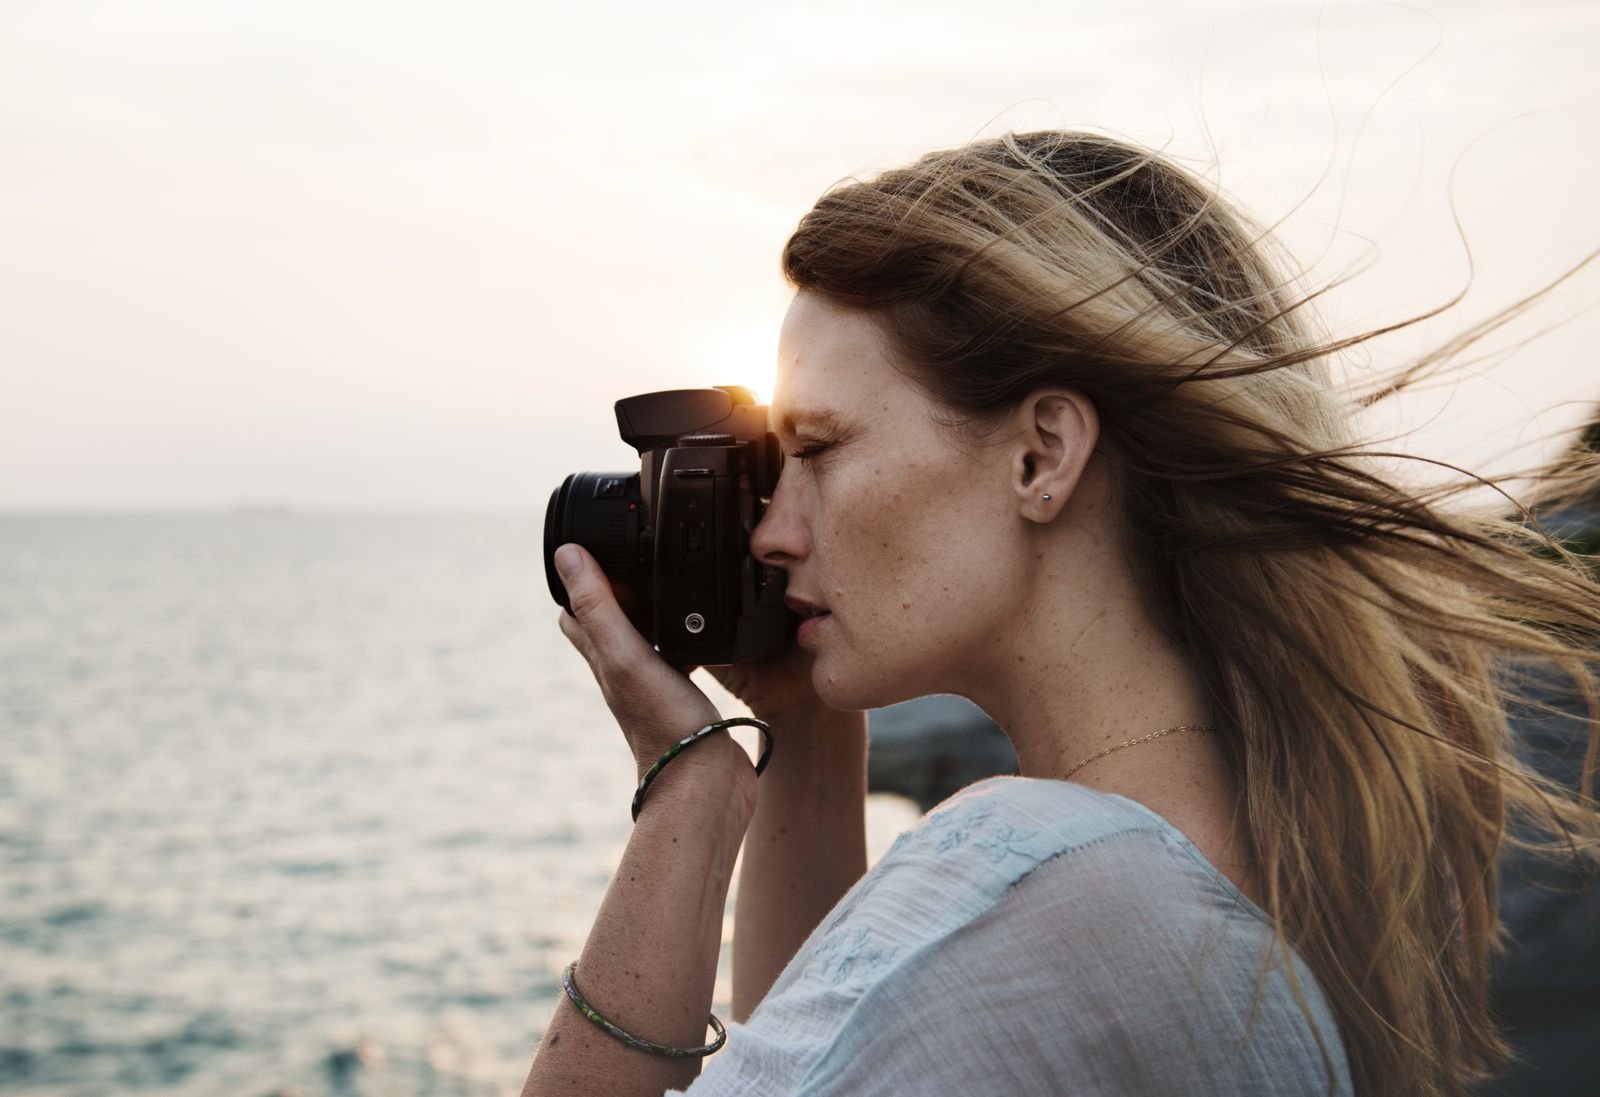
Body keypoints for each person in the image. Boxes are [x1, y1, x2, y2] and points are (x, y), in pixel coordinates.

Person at [519, 131, 1600, 1097]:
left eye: (817, 449)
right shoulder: (1232, 857)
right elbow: (810, 1049)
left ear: (1041, 455)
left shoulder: (1037, 873)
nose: (771, 530)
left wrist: (692, 795)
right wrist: (801, 737)